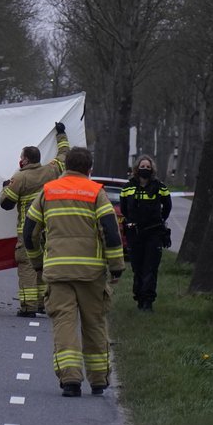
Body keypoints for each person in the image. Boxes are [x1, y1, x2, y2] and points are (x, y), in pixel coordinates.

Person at [22, 147, 125, 398]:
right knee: (94, 324)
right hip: (91, 273)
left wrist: (37, 263)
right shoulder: (96, 193)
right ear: (89, 169)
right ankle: (99, 380)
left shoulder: (49, 191)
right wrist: (116, 267)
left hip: (58, 272)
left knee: (64, 324)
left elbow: (29, 232)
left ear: (66, 165)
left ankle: (70, 380)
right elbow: (110, 232)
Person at [0, 122, 70, 317]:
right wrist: (61, 134)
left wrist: (6, 187)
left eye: (21, 157)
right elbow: (64, 154)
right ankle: (42, 304)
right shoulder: (52, 170)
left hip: (28, 231)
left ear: (26, 159)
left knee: (28, 266)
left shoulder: (20, 178)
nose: (19, 160)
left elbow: (6, 203)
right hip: (50, 229)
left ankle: (29, 307)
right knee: (44, 265)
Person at [120, 155, 172, 311]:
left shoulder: (160, 187)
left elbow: (167, 206)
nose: (145, 169)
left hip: (154, 233)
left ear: (152, 169)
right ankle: (139, 298)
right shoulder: (128, 187)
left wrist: (160, 220)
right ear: (137, 168)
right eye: (142, 166)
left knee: (150, 267)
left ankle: (148, 302)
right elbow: (124, 208)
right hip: (135, 233)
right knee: (138, 267)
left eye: (148, 167)